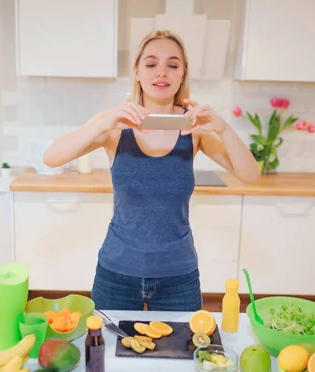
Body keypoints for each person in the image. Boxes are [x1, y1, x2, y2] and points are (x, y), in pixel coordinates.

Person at [43, 30, 260, 312]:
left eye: (172, 65)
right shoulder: (114, 125)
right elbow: (51, 158)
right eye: (150, 64)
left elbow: (250, 174)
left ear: (182, 75)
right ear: (136, 71)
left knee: (181, 353)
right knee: (107, 354)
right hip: (116, 272)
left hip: (178, 276)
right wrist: (105, 122)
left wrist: (223, 127)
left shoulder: (194, 128)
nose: (161, 73)